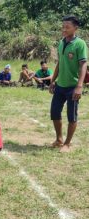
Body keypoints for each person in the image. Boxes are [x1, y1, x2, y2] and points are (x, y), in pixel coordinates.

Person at [49, 16, 88, 153]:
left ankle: (67, 143)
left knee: (72, 116)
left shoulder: (80, 44)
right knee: (54, 112)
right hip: (60, 85)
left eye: (67, 27)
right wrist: (53, 80)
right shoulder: (61, 42)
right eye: (63, 26)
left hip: (73, 87)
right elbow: (59, 63)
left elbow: (83, 64)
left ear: (75, 28)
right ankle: (59, 139)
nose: (64, 29)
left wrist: (79, 86)